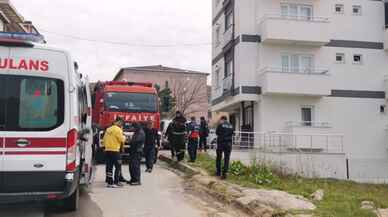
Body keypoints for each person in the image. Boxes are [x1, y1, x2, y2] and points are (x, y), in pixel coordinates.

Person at [102, 117, 126, 188]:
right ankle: (116, 182)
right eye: (121, 123)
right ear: (119, 122)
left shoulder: (108, 129)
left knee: (109, 167)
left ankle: (110, 182)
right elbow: (122, 139)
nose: (122, 124)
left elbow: (104, 139)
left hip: (107, 150)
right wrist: (124, 137)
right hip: (115, 151)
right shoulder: (118, 130)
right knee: (118, 166)